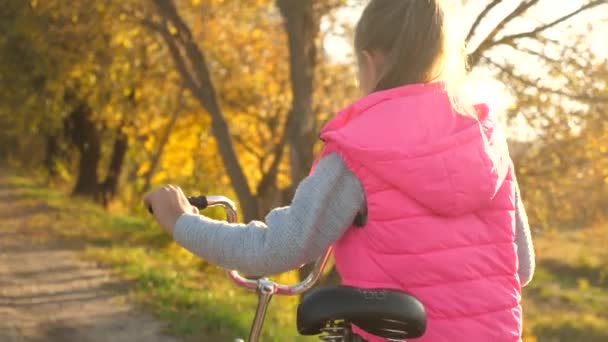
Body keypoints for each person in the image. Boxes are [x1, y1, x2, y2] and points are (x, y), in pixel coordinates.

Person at [144, 0, 535, 340]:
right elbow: (522, 267)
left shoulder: (360, 147)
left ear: (370, 58)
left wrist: (180, 220)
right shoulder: (487, 143)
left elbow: (277, 250)